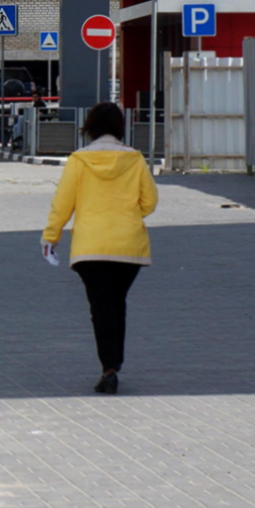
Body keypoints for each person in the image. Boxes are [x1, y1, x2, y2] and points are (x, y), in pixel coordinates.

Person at [41, 102, 157, 395]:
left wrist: (51, 237)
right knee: (117, 305)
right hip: (128, 246)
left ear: (89, 126)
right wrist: (128, 215)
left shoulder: (79, 160)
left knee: (101, 308)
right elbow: (150, 202)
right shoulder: (135, 159)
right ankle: (113, 365)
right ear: (121, 126)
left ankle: (109, 369)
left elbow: (63, 203)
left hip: (89, 248)